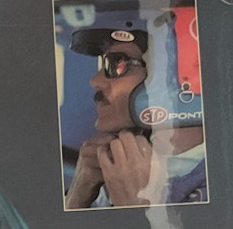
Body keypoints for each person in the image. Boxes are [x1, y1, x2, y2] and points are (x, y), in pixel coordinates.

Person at [63, 12, 208, 209]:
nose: (95, 81)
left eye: (117, 64)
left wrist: (137, 203)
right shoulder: (110, 170)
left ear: (177, 75)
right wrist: (77, 197)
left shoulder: (221, 179)